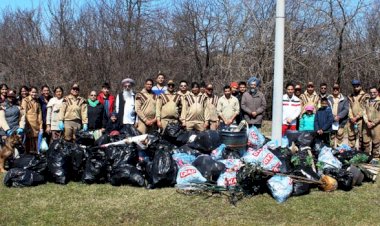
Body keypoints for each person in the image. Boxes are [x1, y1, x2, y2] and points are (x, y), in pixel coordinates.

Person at [19, 86, 43, 153]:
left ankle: (35, 157)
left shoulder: (37, 101)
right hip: (28, 125)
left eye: (35, 92)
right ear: (29, 92)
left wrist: (41, 126)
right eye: (32, 92)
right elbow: (23, 113)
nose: (34, 94)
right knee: (28, 143)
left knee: (36, 143)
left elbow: (39, 114)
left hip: (36, 125)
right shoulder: (25, 100)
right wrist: (25, 125)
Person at [347, 79, 369, 149]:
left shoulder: (365, 96)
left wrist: (357, 117)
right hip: (351, 120)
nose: (356, 88)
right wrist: (351, 117)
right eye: (354, 86)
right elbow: (349, 107)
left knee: (361, 137)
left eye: (357, 86)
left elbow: (365, 108)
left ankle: (361, 153)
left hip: (361, 120)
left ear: (360, 86)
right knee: (351, 136)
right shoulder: (350, 96)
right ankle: (351, 152)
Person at [327, 83, 349, 148]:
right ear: (332, 89)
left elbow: (346, 109)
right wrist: (333, 117)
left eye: (337, 89)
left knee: (340, 137)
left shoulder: (344, 99)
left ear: (339, 90)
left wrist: (339, 116)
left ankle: (339, 153)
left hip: (341, 121)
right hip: (331, 121)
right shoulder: (328, 98)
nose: (335, 90)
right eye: (334, 89)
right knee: (331, 138)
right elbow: (327, 109)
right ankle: (331, 151)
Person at [362, 86, 380, 158]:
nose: (372, 94)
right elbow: (364, 112)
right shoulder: (367, 101)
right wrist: (366, 122)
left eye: (374, 92)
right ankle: (366, 158)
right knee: (365, 142)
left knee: (376, 143)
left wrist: (373, 123)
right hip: (367, 125)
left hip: (376, 125)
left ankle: (375, 158)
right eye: (371, 92)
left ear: (377, 92)